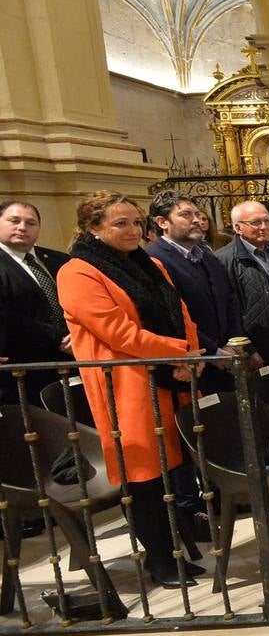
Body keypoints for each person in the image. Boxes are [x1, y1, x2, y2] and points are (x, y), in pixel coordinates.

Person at [57, 192, 208, 587]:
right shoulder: (77, 271)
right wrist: (181, 353)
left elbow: (181, 313)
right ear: (94, 228)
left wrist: (188, 353)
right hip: (126, 385)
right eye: (120, 223)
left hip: (167, 378)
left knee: (173, 472)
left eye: (136, 223)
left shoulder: (151, 262)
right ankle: (159, 560)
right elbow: (117, 333)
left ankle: (176, 550)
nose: (132, 230)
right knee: (143, 477)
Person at [147, 192, 246, 394]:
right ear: (162, 222)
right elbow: (173, 315)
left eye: (197, 214)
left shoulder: (207, 256)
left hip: (226, 359)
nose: (196, 220)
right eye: (185, 215)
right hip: (194, 362)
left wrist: (233, 344)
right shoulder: (154, 259)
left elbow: (230, 301)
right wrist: (214, 352)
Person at [0, 201, 71, 404]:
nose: (22, 227)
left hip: (72, 361)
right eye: (14, 221)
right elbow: (8, 316)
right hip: (24, 369)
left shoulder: (60, 260)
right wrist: (57, 337)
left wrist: (79, 333)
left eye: (31, 223)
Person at [216, 201, 269, 367]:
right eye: (255, 223)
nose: (263, 227)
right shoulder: (225, 260)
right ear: (238, 228)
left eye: (267, 221)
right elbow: (230, 310)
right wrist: (248, 348)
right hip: (260, 348)